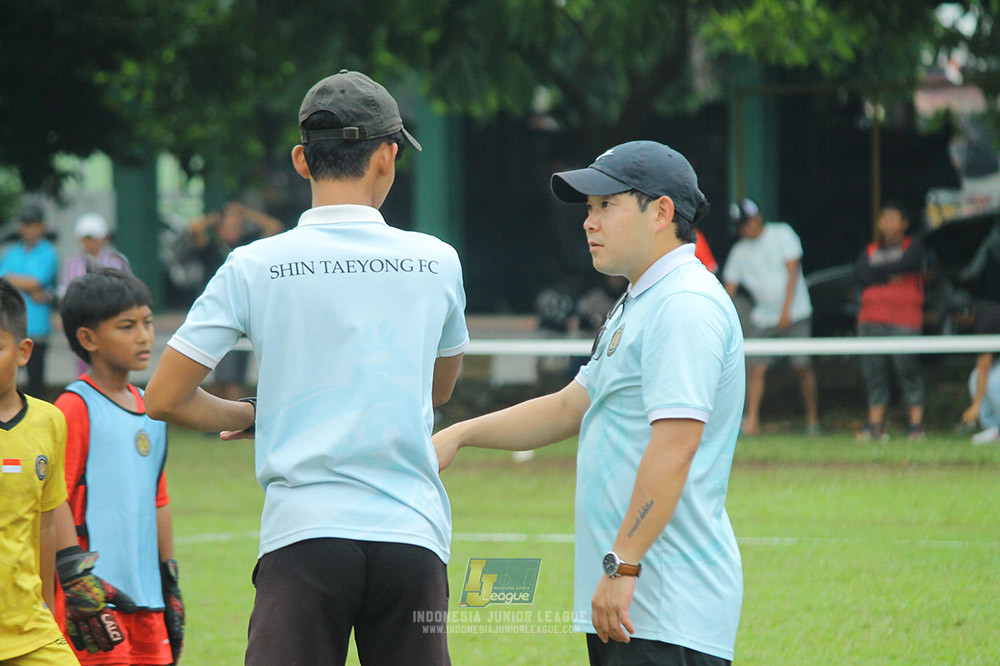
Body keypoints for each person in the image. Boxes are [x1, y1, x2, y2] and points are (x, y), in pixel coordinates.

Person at [144, 69, 468, 665]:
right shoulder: (437, 262)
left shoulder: (254, 264)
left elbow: (163, 398)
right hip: (410, 537)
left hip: (303, 536)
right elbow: (438, 387)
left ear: (301, 160)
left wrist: (255, 414)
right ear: (388, 156)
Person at [436, 141, 744, 665]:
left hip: (665, 607)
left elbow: (675, 447)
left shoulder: (683, 305)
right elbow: (567, 408)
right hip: (634, 605)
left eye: (606, 204)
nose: (588, 222)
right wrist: (458, 434)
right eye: (588, 209)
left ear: (662, 212)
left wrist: (622, 565)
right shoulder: (641, 300)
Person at [0, 276, 136, 664]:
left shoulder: (48, 422)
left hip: (32, 633)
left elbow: (46, 519)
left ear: (24, 351)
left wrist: (48, 603)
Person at [54, 269, 183, 665]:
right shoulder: (74, 407)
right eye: (126, 326)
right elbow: (53, 498)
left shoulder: (154, 407)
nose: (144, 335)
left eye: (146, 322)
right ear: (88, 338)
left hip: (146, 597)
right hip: (93, 601)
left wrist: (169, 578)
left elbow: (158, 499)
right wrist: (74, 577)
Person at [723, 198, 819, 436]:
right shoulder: (739, 251)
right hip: (764, 317)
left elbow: (793, 272)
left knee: (802, 367)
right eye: (740, 225)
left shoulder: (781, 233)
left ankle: (812, 421)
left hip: (796, 313)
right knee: (756, 368)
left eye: (748, 222)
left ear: (758, 217)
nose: (745, 228)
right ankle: (752, 422)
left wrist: (786, 310)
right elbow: (729, 290)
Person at [183, 202, 285, 401]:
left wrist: (245, 212)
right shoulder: (211, 248)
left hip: (243, 313)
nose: (233, 229)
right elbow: (195, 228)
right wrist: (217, 216)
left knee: (234, 373)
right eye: (228, 225)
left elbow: (274, 227)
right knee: (220, 373)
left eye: (237, 225)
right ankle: (218, 419)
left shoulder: (248, 247)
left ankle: (225, 417)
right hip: (216, 313)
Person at [854, 202, 929, 442]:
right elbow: (862, 274)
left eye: (892, 218)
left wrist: (881, 272)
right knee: (873, 370)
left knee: (907, 368)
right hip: (871, 318)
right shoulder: (870, 250)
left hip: (904, 319)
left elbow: (908, 264)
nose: (886, 223)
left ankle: (916, 425)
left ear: (904, 224)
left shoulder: (914, 247)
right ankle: (874, 424)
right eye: (883, 218)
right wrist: (892, 273)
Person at [0, 203, 59, 398]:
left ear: (42, 226)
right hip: (10, 326)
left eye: (33, 224)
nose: (29, 229)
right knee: (8, 378)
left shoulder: (48, 252)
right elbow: (5, 279)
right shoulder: (12, 252)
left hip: (37, 326)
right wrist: (28, 285)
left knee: (35, 381)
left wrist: (13, 279)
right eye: (26, 224)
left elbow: (37, 281)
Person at [57, 213, 131, 299]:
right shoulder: (71, 264)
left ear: (104, 238)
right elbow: (64, 292)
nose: (90, 242)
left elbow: (125, 289)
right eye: (87, 238)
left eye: (94, 238)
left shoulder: (117, 260)